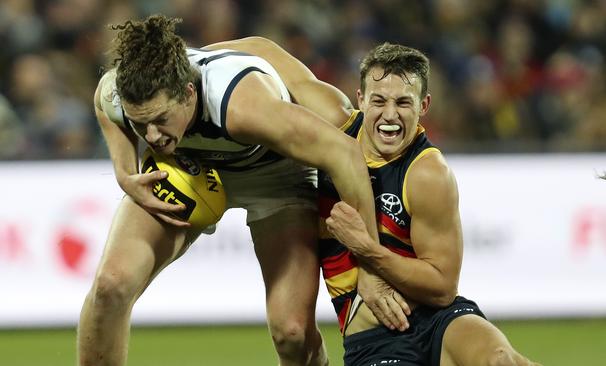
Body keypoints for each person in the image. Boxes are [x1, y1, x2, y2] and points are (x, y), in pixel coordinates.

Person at [77, 14, 383, 366]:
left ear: (189, 93)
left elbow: (344, 154)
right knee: (110, 286)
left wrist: (373, 267)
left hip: (276, 174)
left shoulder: (245, 108)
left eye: (161, 120)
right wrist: (125, 172)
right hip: (189, 169)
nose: (152, 137)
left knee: (292, 333)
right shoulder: (125, 91)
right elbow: (104, 101)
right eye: (140, 123)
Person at [318, 43, 542, 365]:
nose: (390, 115)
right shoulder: (332, 130)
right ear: (361, 99)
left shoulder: (427, 172)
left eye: (403, 103)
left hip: (438, 319)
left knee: (499, 360)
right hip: (375, 340)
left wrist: (366, 249)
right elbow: (270, 55)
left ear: (424, 105)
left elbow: (442, 288)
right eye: (379, 100)